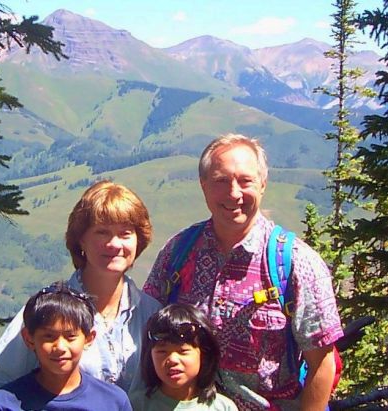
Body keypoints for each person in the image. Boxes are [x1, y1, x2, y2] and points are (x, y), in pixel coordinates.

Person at [143, 134, 344, 410]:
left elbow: (322, 362)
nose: (233, 193)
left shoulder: (296, 263)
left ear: (263, 184)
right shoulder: (178, 252)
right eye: (221, 181)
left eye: (245, 181)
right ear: (204, 186)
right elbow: (148, 328)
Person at [0, 180, 162, 410]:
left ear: (138, 240)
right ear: (81, 239)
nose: (114, 243)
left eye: (125, 233)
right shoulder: (48, 310)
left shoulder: (152, 314)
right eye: (102, 232)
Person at [0, 283, 132, 410]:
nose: (60, 347)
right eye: (49, 336)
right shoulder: (5, 403)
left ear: (88, 339)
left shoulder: (113, 402)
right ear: (29, 339)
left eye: (70, 337)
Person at [130, 303, 238, 411]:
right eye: (162, 351)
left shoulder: (223, 407)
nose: (172, 360)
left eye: (183, 351)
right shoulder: (136, 405)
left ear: (203, 354)